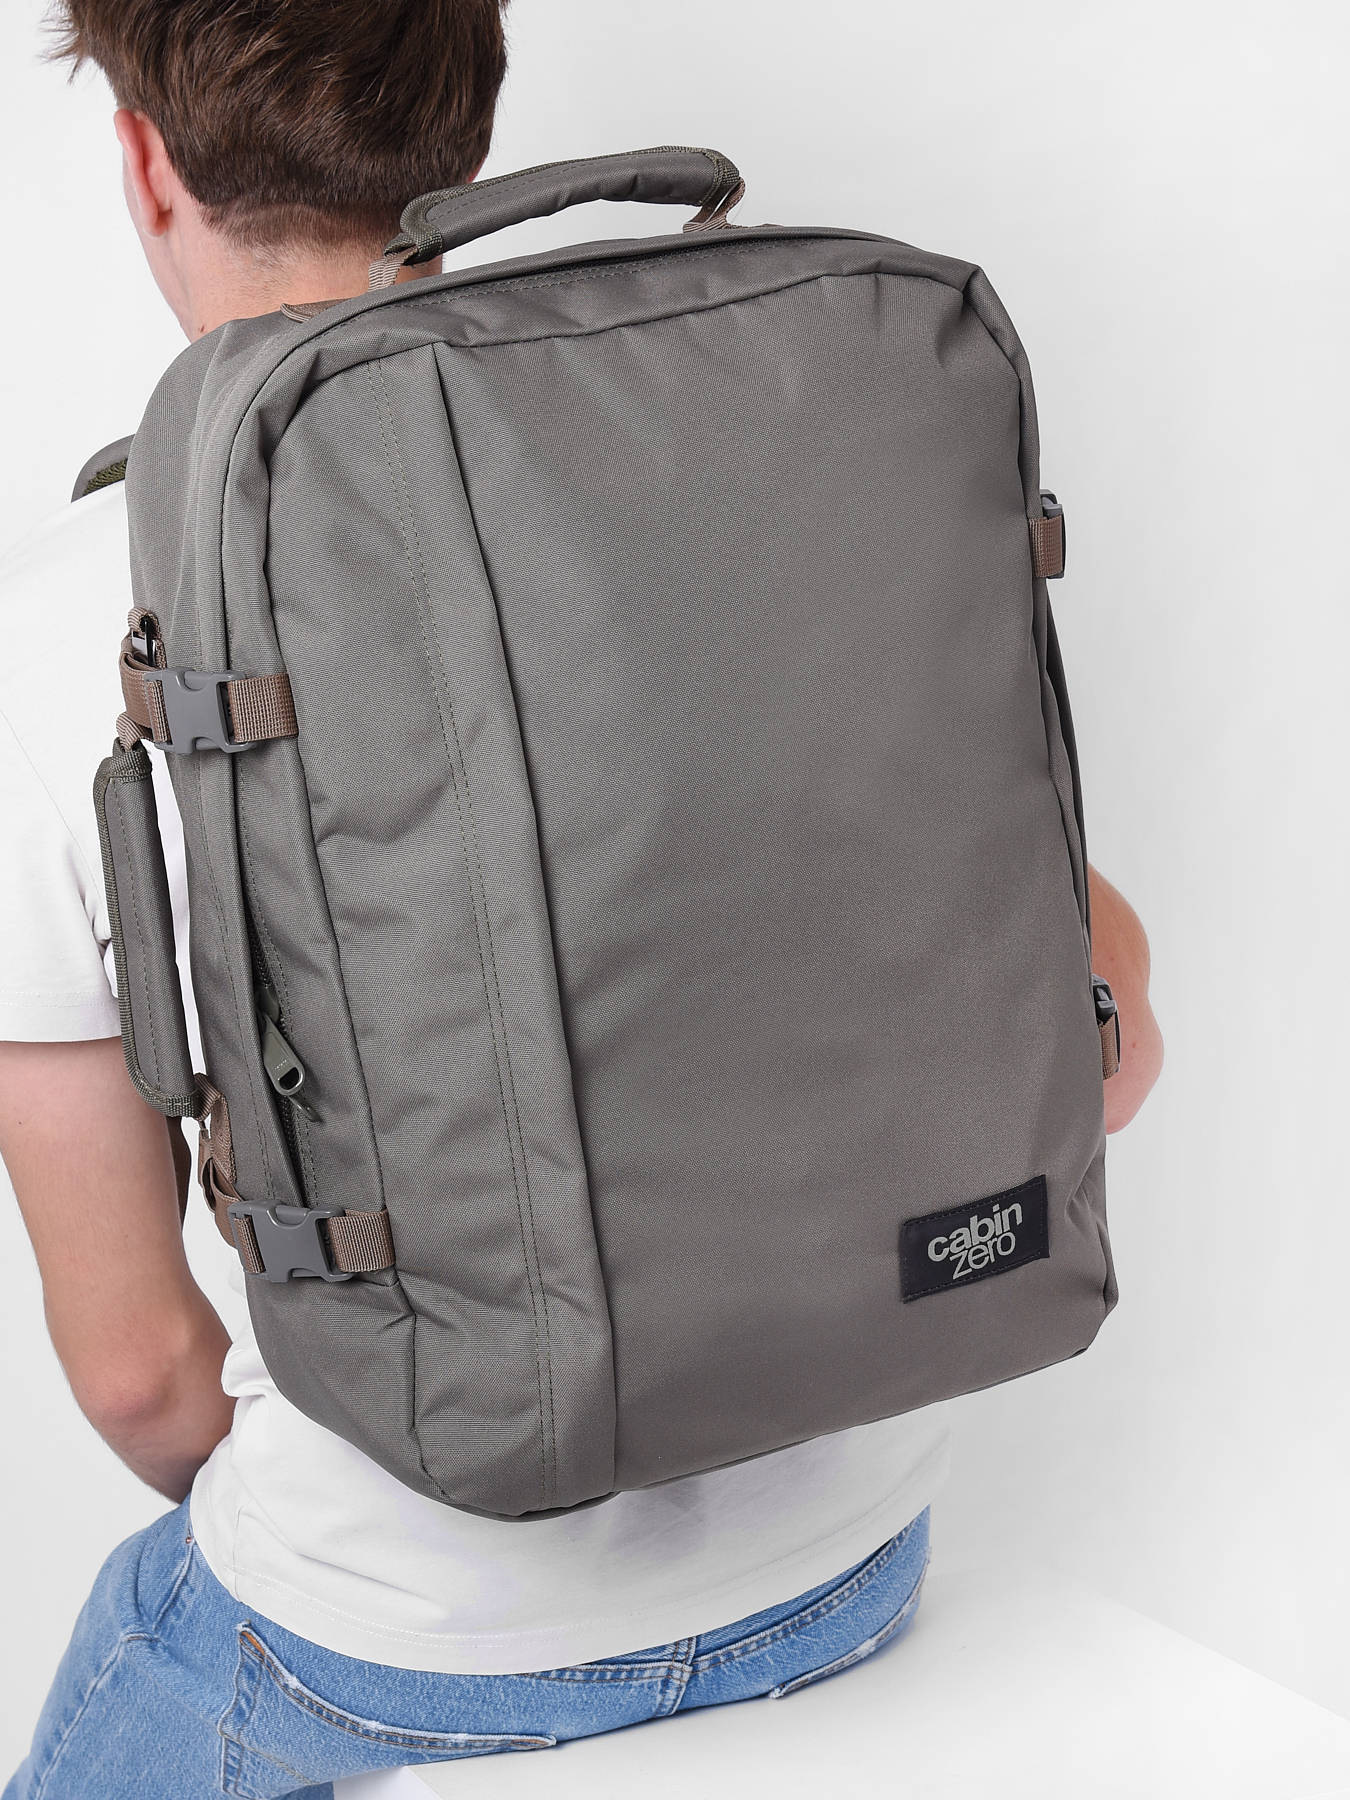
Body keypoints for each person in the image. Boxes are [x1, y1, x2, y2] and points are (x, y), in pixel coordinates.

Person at [0, 4, 1164, 1795]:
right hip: (849, 1561)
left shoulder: (60, 621)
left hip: (387, 1633)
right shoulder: (745, 461)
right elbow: (1111, 1042)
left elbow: (140, 1375)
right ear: (464, 130)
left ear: (146, 160)